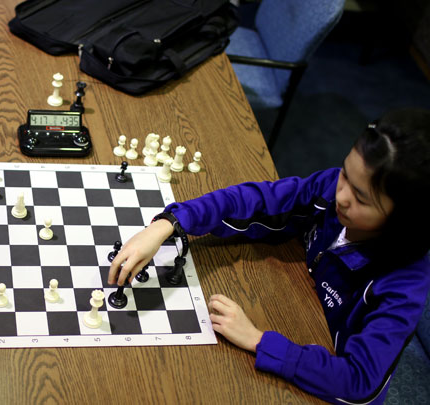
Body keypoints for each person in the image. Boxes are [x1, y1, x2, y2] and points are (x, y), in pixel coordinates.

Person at [108, 109, 430, 404]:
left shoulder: (403, 284)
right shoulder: (331, 189)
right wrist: (171, 223)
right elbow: (260, 199)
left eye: (360, 198)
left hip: (317, 375)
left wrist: (259, 341)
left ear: (402, 220)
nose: (340, 196)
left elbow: (360, 385)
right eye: (345, 174)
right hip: (293, 299)